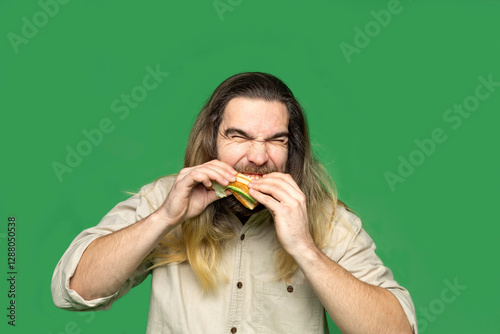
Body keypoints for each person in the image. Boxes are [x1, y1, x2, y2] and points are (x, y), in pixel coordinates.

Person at [51, 72, 417, 333]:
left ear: (293, 150)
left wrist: (305, 248)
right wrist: (164, 218)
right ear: (212, 139)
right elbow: (74, 290)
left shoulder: (327, 220)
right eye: (239, 136)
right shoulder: (166, 199)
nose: (257, 157)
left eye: (276, 140)